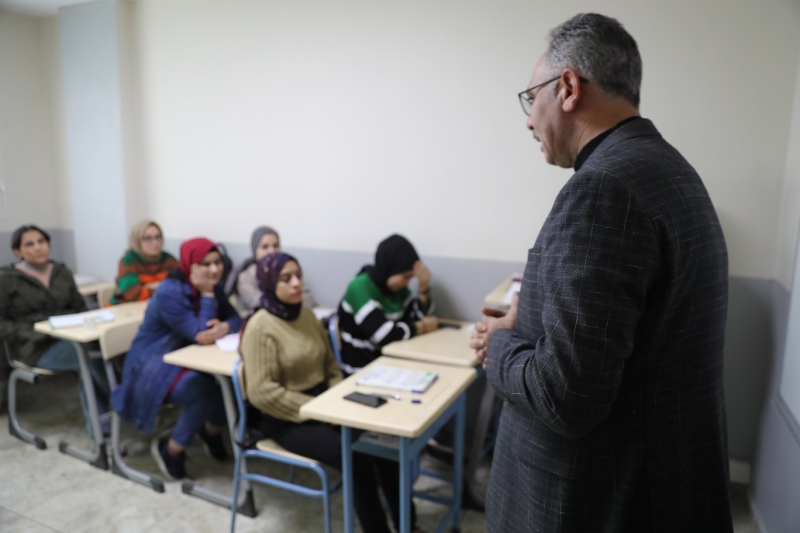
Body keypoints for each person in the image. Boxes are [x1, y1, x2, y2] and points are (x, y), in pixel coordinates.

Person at [470, 14, 732, 532]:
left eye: (531, 99)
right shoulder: (668, 171)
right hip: (665, 483)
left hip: (595, 500)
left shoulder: (604, 190)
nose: (529, 121)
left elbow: (567, 396)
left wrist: (499, 344)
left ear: (567, 88)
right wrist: (532, 321)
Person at [240, 251, 423, 533]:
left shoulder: (306, 315)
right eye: (286, 279)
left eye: (298, 276)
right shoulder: (260, 327)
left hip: (326, 404)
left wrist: (337, 403)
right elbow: (262, 393)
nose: (296, 283)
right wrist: (320, 411)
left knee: (384, 442)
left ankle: (408, 526)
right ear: (268, 284)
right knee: (355, 458)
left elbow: (331, 367)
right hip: (288, 418)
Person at [111, 237, 242, 480]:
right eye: (206, 264)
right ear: (190, 265)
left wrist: (224, 327)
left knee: (231, 383)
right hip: (151, 365)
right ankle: (171, 451)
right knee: (204, 391)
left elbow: (236, 318)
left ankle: (210, 431)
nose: (215, 269)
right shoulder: (170, 292)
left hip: (183, 360)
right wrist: (206, 294)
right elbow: (200, 332)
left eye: (218, 262)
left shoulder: (213, 285)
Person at [0, 224, 110, 434]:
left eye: (41, 241)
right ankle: (112, 417)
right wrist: (31, 333)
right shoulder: (6, 279)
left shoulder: (62, 272)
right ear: (17, 251)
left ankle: (110, 416)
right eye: (29, 244)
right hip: (34, 346)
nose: (38, 247)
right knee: (86, 356)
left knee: (102, 348)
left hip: (70, 338)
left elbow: (80, 308)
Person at [337, 234, 438, 374]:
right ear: (390, 267)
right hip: (363, 368)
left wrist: (423, 288)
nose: (407, 283)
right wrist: (423, 327)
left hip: (391, 361)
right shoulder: (359, 287)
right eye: (405, 276)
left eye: (411, 278)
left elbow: (419, 317)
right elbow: (384, 335)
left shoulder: (397, 288)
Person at [233, 226, 316, 313]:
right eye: (265, 247)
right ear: (255, 250)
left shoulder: (287, 270)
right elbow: (257, 304)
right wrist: (291, 303)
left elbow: (308, 299)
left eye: (276, 246)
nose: (271, 251)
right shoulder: (246, 276)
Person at [109, 220, 179, 305]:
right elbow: (134, 294)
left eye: (158, 237)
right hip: (123, 308)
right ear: (137, 241)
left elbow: (181, 288)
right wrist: (164, 287)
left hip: (155, 306)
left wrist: (147, 288)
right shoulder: (128, 261)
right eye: (148, 238)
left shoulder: (169, 260)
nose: (155, 242)